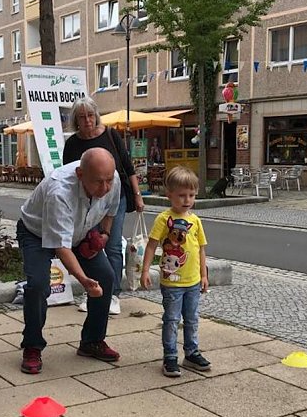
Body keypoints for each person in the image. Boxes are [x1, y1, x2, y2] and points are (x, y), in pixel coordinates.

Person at [16, 147, 122, 375]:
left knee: (106, 276)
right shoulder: (59, 192)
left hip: (80, 230)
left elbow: (111, 210)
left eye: (109, 181)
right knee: (38, 285)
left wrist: (103, 235)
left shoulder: (111, 178)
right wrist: (84, 281)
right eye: (98, 182)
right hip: (36, 232)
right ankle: (32, 346)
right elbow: (61, 247)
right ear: (80, 174)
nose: (105, 188)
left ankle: (92, 341)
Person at [63, 97, 144, 315]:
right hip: (87, 202)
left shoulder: (110, 134)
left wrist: (137, 195)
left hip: (115, 197)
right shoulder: (72, 144)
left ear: (96, 116)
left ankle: (113, 294)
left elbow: (127, 166)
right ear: (76, 120)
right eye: (82, 117)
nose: (87, 121)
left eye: (90, 115)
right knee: (89, 245)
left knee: (113, 245)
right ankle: (92, 290)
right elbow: (70, 176)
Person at [140, 166, 211, 378]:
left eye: (191, 195)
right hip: (172, 282)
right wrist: (145, 270)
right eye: (181, 195)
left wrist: (204, 275)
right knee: (171, 320)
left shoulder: (195, 221)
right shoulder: (164, 219)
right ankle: (170, 356)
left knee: (192, 318)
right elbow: (152, 245)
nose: (187, 200)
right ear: (169, 194)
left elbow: (201, 249)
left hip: (193, 281)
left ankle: (191, 352)